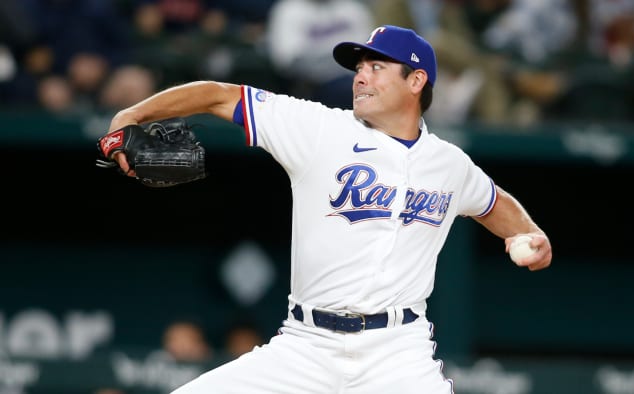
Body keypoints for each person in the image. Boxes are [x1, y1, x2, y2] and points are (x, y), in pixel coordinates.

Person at [102, 24, 552, 393]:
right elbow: (221, 95)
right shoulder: (319, 128)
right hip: (306, 346)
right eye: (359, 67)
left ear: (416, 82)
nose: (361, 76)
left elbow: (494, 203)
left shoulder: (449, 164)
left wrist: (530, 235)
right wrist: (132, 116)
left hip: (397, 354)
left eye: (377, 66)